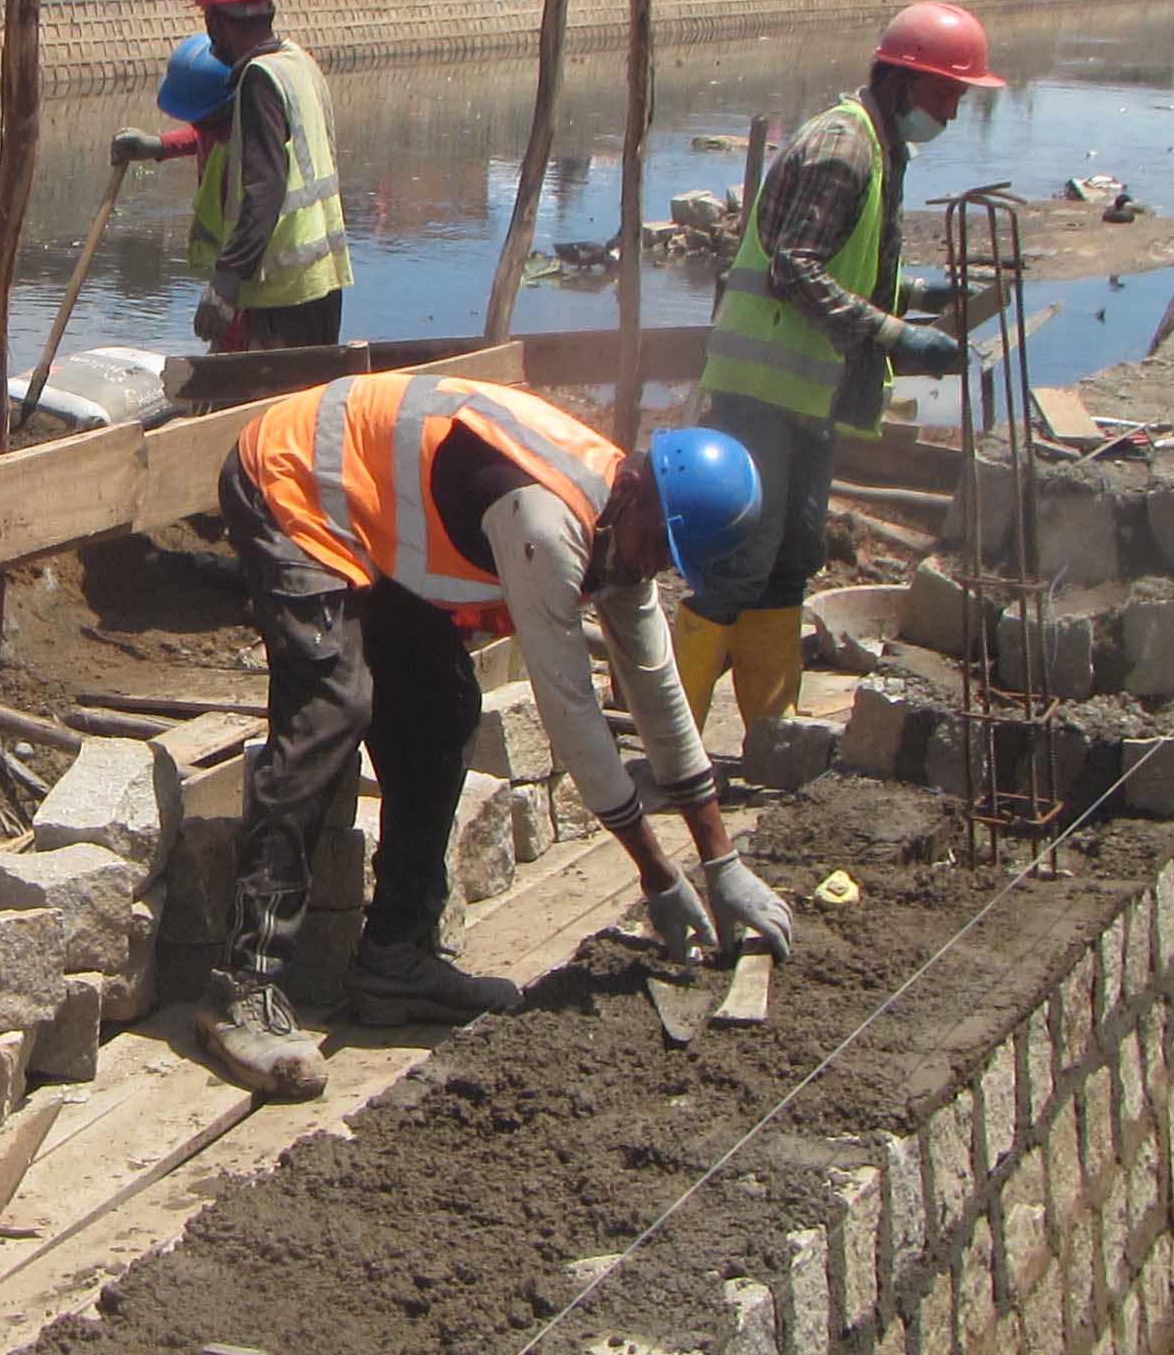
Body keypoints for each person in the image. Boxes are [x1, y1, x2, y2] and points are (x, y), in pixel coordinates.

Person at [198, 372, 795, 1097]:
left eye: (670, 562)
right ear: (637, 492)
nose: (652, 567)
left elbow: (658, 693)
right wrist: (659, 875)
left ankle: (395, 958)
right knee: (332, 708)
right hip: (295, 478)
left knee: (443, 709)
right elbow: (571, 710)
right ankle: (243, 985)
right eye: (656, 548)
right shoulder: (545, 522)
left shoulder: (625, 528)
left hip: (371, 513)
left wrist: (720, 860)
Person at [673, 1, 1001, 759]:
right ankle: (673, 741)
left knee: (794, 559)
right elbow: (796, 270)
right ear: (902, 81)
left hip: (807, 395)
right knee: (741, 561)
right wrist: (897, 337)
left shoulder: (883, 149)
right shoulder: (843, 148)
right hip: (760, 391)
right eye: (945, 95)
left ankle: (769, 733)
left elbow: (845, 264)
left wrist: (920, 297)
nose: (951, 115)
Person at [109, 0, 352, 353]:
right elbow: (245, 145)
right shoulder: (298, 63)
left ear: (218, 22)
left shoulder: (259, 81)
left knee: (265, 412)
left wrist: (226, 282)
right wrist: (158, 146)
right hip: (323, 279)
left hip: (282, 292)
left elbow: (265, 189)